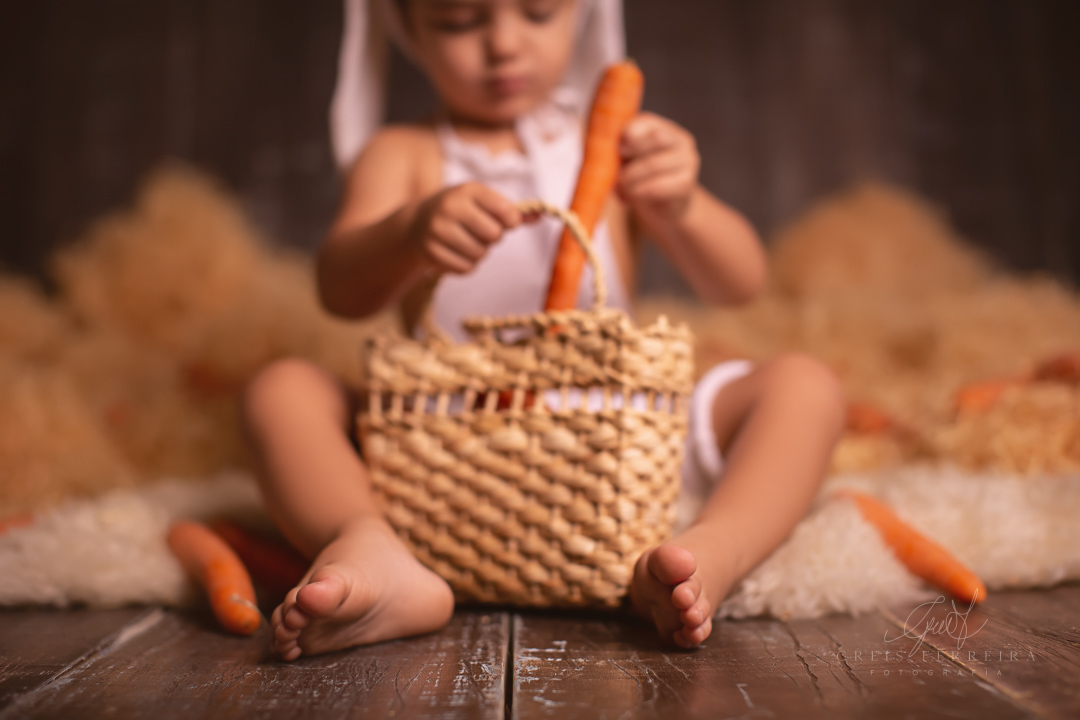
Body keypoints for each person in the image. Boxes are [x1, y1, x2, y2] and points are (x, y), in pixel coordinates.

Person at [241, 0, 845, 661]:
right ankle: (368, 541)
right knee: (283, 389)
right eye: (459, 21)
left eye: (537, 13)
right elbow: (341, 292)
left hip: (615, 432)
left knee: (802, 385)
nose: (503, 44)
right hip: (444, 433)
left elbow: (739, 284)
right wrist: (409, 232)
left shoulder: (614, 145)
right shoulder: (403, 155)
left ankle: (709, 550)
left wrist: (683, 203)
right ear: (407, 29)